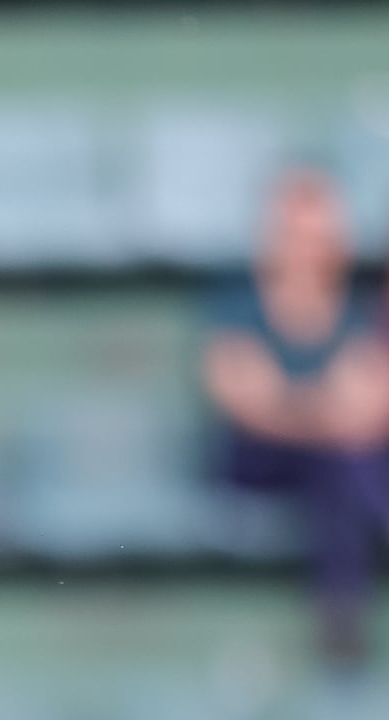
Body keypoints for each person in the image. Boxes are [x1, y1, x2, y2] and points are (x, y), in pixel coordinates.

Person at [201, 167, 389, 670]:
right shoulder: (238, 301)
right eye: (297, 234)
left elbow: (371, 407)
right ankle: (340, 616)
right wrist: (325, 410)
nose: (309, 248)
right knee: (346, 461)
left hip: (328, 470)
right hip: (253, 464)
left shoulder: (356, 312)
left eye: (319, 235)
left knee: (342, 471)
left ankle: (340, 619)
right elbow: (243, 402)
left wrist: (291, 403)